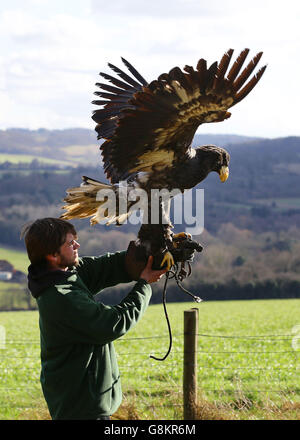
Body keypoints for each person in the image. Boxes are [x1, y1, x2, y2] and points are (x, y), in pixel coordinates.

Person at [21, 217, 167, 420]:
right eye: (70, 243)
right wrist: (144, 284)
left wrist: (149, 252)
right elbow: (112, 323)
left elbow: (105, 267)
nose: (77, 245)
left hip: (84, 403)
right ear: (52, 255)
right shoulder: (62, 297)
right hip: (81, 407)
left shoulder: (65, 275)